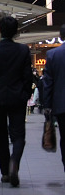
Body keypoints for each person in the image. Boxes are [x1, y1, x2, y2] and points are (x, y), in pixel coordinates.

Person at [0, 15, 32, 186]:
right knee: (18, 135)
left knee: (1, 136)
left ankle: (5, 173)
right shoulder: (24, 50)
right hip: (17, 98)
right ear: (16, 32)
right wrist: (25, 94)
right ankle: (14, 161)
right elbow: (27, 77)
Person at [41, 23, 65, 173]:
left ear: (61, 37)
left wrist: (47, 105)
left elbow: (48, 83)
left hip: (61, 105)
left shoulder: (53, 55)